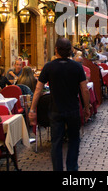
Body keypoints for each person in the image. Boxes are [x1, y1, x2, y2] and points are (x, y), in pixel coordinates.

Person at [28, 38, 90, 171]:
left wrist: (33, 109)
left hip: (56, 110)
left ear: (56, 50)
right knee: (74, 140)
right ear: (70, 51)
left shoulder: (49, 67)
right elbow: (85, 89)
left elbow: (38, 89)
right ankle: (72, 168)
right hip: (73, 109)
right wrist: (86, 108)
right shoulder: (77, 67)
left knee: (56, 142)